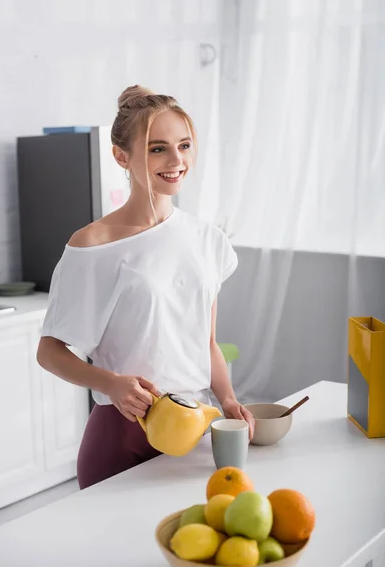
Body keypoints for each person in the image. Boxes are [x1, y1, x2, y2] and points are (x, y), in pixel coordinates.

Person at [37, 85, 255, 490]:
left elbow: (207, 343)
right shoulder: (92, 245)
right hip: (121, 434)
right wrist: (110, 383)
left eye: (185, 145)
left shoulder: (207, 240)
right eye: (158, 149)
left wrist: (227, 401)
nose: (177, 161)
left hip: (195, 429)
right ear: (122, 156)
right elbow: (49, 352)